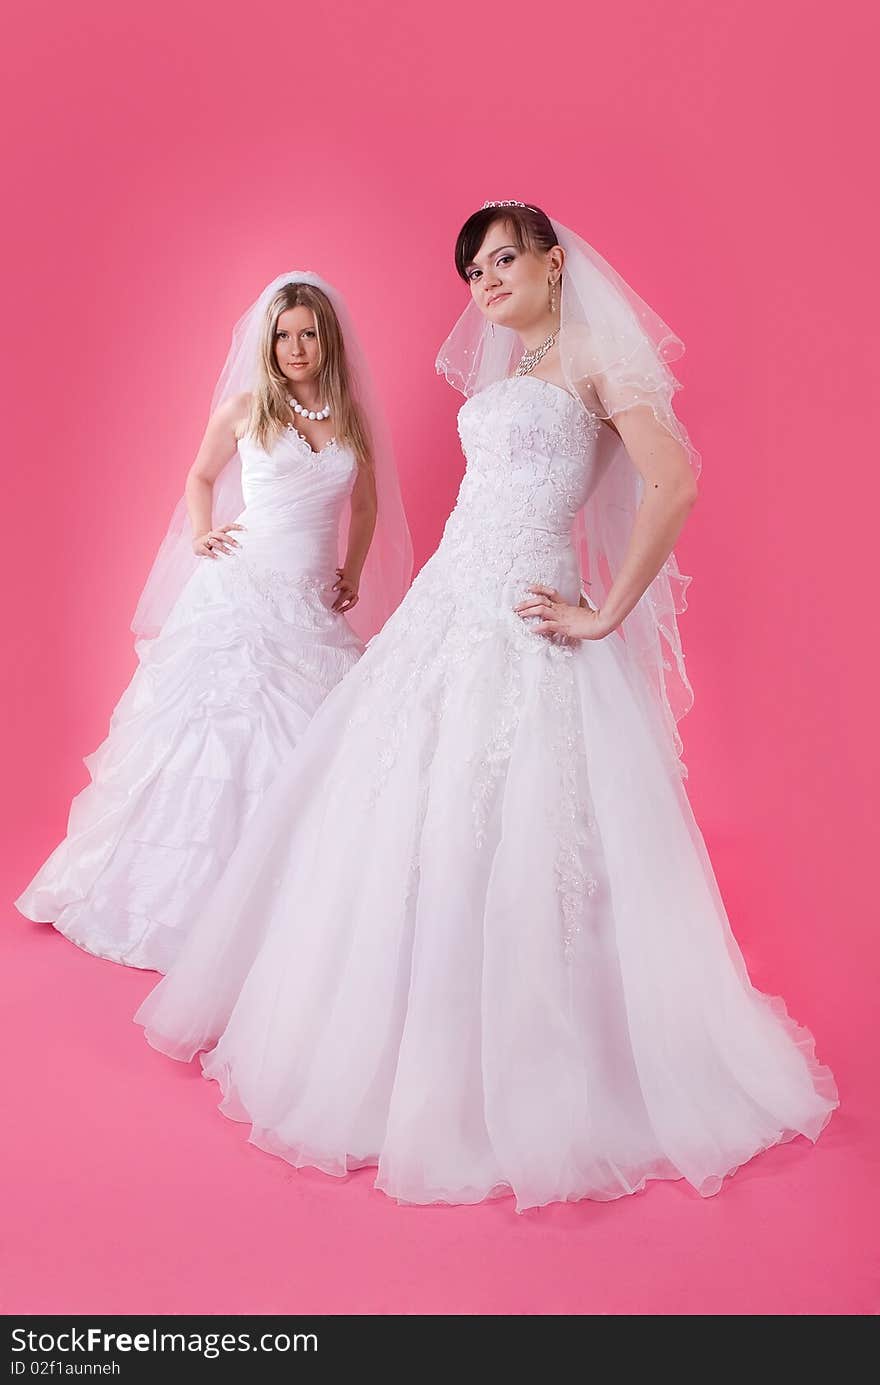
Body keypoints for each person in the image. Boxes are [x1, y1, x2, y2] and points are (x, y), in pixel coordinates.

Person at [135, 207, 836, 1211]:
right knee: (404, 817)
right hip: (449, 604)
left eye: (503, 258)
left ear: (556, 262)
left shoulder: (594, 354)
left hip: (527, 611)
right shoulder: (511, 375)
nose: (486, 279)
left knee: (520, 828)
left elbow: (672, 480)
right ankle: (408, 1044)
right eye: (473, 269)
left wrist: (605, 613)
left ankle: (532, 1069)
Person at [16, 272, 411, 972]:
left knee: (317, 749)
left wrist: (350, 570)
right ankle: (188, 910)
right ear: (268, 341)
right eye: (283, 335)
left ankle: (287, 911)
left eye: (307, 333)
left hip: (312, 606)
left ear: (328, 338)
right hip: (243, 594)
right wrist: (202, 533)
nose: (295, 347)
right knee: (219, 746)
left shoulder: (347, 416)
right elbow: (200, 476)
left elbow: (369, 503)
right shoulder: (246, 409)